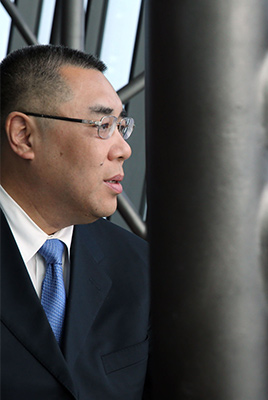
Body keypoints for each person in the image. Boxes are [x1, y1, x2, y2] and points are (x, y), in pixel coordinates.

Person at [0, 45, 150, 399]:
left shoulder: (139, 266)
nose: (123, 149)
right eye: (102, 125)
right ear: (23, 135)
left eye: (120, 126)